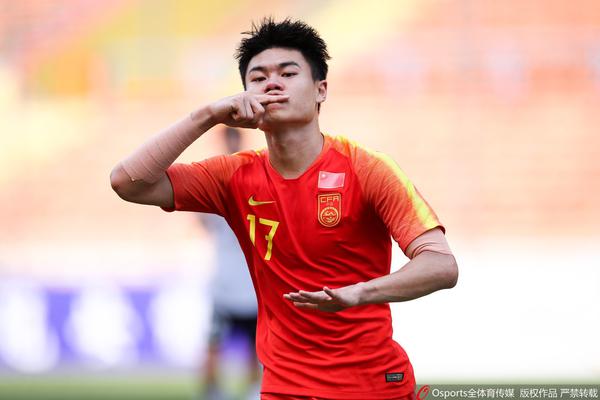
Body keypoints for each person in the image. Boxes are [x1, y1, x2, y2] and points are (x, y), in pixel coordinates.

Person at [110, 18, 458, 400]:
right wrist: (206, 116)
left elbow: (441, 265)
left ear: (321, 89)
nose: (272, 84)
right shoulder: (233, 176)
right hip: (283, 388)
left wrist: (360, 293)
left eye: (288, 73)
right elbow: (128, 182)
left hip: (371, 386)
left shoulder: (367, 169)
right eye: (258, 78)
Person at [200, 127, 260, 400]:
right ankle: (227, 390)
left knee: (225, 343)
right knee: (245, 344)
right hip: (238, 281)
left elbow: (201, 221)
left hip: (238, 282)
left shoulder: (213, 180)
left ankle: (218, 391)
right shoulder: (253, 181)